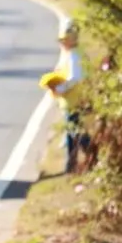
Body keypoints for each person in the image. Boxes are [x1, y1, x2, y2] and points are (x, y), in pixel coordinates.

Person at [44, 20, 87, 172]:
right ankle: (81, 159)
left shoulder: (74, 56)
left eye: (65, 40)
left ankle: (73, 162)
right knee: (75, 131)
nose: (63, 43)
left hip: (75, 100)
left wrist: (61, 88)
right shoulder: (69, 54)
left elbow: (75, 77)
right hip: (71, 100)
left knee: (73, 132)